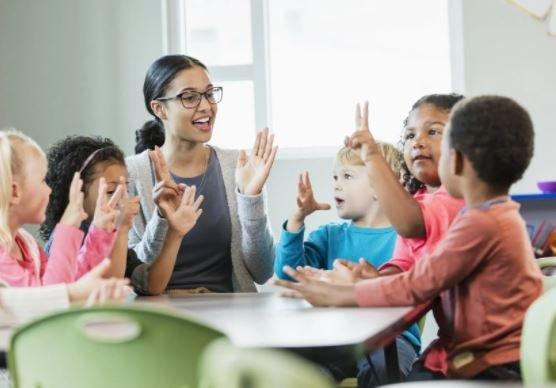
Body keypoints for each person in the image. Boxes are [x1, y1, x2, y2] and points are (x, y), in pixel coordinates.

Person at [276, 95, 543, 382]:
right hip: (485, 356)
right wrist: (374, 280)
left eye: (439, 137)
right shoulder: (494, 216)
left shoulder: (480, 223)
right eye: (411, 135)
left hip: (493, 365)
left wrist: (341, 294)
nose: (418, 144)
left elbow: (420, 283)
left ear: (457, 159)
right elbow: (416, 272)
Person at [127, 55, 276, 293]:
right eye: (190, 97)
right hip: (164, 318)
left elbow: (263, 271)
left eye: (209, 94)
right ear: (159, 109)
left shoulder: (235, 166)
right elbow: (132, 277)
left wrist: (251, 199)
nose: (206, 106)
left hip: (233, 315)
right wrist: (163, 220)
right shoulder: (132, 174)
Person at [40, 136, 203, 295]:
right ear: (77, 194)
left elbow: (151, 284)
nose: (122, 199)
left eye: (126, 188)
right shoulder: (64, 242)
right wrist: (122, 228)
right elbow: (106, 289)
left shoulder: (112, 233)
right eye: (111, 191)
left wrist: (175, 233)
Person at [0, 129, 118, 287]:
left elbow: (69, 284)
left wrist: (99, 231)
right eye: (43, 181)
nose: (49, 190)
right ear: (15, 192)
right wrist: (67, 228)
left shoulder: (28, 246)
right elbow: (52, 300)